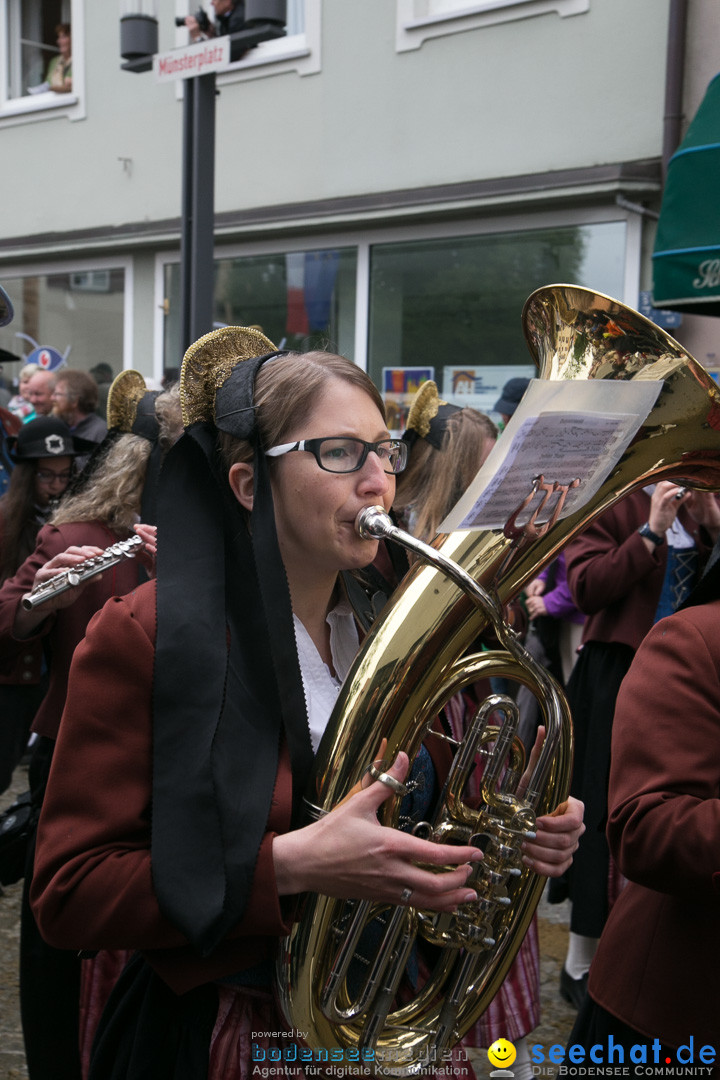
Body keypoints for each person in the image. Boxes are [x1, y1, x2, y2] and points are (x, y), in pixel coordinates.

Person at [29, 330, 583, 1080]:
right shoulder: (145, 635)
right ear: (250, 486)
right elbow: (70, 894)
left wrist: (516, 830)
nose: (378, 482)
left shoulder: (393, 616)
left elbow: (436, 800)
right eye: (339, 453)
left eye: (384, 451)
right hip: (237, 1036)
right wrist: (289, 866)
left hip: (397, 1016)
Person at [396, 380, 583, 1080]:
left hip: (487, 761)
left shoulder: (490, 549)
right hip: (453, 773)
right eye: (491, 465)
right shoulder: (416, 552)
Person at [0, 373, 180, 1080]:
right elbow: (8, 620)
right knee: (64, 941)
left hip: (176, 760)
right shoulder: (78, 533)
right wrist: (44, 603)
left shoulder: (222, 536)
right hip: (80, 757)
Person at [556, 482, 720, 1008]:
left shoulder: (701, 512)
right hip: (619, 673)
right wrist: (649, 529)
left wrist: (712, 521)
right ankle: (581, 958)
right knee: (603, 812)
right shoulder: (614, 502)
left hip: (688, 684)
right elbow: (585, 588)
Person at [0, 416, 85, 796]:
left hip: (47, 674)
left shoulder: (73, 522)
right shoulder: (5, 522)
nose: (55, 486)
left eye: (63, 475)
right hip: (10, 676)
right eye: (45, 476)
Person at [51, 370, 108, 453]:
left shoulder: (100, 433)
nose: (52, 398)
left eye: (57, 394)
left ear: (74, 400)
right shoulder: (59, 428)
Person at [46, 24, 72, 94]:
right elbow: (48, 84)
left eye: (63, 37)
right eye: (59, 37)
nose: (59, 41)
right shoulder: (54, 61)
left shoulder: (79, 60)